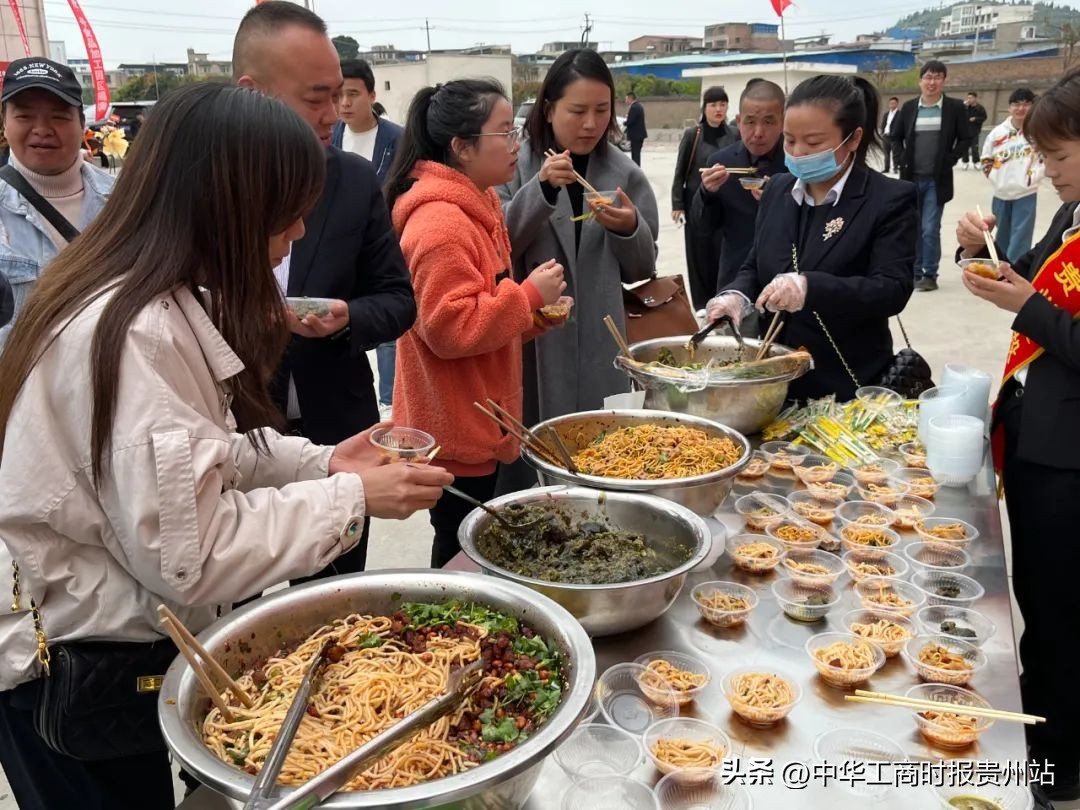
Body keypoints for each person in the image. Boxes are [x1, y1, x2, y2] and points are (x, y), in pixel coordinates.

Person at [0, 81, 453, 810]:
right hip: (70, 669)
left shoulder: (153, 294)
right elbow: (193, 553)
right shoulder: (136, 332)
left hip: (107, 636)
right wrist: (351, 498)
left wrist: (323, 460)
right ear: (227, 209)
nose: (298, 233)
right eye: (286, 212)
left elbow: (199, 456)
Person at [233, 1, 417, 581]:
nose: (333, 114)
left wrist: (347, 317)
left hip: (336, 422)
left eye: (339, 96)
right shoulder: (210, 189)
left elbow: (398, 300)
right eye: (316, 98)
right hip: (235, 430)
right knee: (233, 602)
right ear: (252, 94)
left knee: (335, 600)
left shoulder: (353, 180)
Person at [954, 67, 1080, 808]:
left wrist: (1028, 306)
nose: (1048, 171)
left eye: (1058, 156)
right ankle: (1045, 712)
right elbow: (1026, 280)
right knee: (1036, 592)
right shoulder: (1071, 215)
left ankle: (1060, 760)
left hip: (1072, 461)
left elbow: (1042, 310)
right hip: (1037, 437)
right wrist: (981, 251)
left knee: (1064, 608)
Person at [386, 80, 567, 567]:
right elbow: (450, 329)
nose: (515, 144)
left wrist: (532, 316)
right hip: (454, 426)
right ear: (462, 148)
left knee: (471, 541)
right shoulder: (440, 225)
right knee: (459, 550)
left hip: (476, 414)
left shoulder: (477, 205)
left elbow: (483, 307)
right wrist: (528, 295)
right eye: (504, 133)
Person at [497, 49, 658, 493]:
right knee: (530, 459)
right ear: (549, 109)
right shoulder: (514, 167)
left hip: (600, 341)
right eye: (578, 111)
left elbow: (642, 267)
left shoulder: (625, 173)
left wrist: (629, 228)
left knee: (600, 460)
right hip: (534, 340)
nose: (590, 124)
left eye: (602, 111)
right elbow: (496, 246)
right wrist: (542, 190)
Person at [707, 74, 916, 402]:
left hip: (848, 386)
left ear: (853, 138)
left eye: (814, 143)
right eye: (789, 140)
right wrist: (735, 296)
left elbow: (891, 290)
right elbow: (755, 264)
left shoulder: (888, 199)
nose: (799, 152)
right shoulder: (777, 189)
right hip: (776, 381)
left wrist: (809, 287)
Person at [0, 57, 114, 348]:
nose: (42, 129)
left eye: (59, 117)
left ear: (82, 123)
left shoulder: (125, 199)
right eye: (24, 116)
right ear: (4, 123)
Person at [331, 58, 405, 421]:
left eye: (353, 94)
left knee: (386, 323)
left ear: (372, 95)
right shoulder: (330, 135)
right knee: (343, 321)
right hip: (341, 248)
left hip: (383, 243)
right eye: (338, 95)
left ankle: (389, 402)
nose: (344, 103)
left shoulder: (396, 139)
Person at [694, 79, 788, 302]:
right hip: (734, 280)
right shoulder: (722, 162)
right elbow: (703, 228)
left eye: (768, 122)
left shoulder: (796, 163)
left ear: (783, 122)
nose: (758, 132)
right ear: (738, 121)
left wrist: (778, 202)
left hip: (784, 282)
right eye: (750, 122)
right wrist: (707, 193)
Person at [893, 60, 972, 292]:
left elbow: (966, 138)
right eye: (928, 77)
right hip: (911, 179)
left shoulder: (954, 108)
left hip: (936, 181)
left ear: (944, 81)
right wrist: (900, 158)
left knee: (929, 228)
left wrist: (951, 158)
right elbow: (895, 137)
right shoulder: (909, 108)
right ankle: (915, 272)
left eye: (937, 77)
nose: (932, 82)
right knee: (913, 227)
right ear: (920, 81)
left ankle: (929, 274)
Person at [671, 85, 740, 309]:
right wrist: (677, 204)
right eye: (713, 105)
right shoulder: (693, 135)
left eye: (722, 104)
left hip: (726, 206)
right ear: (705, 108)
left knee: (722, 254)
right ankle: (702, 304)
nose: (718, 109)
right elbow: (680, 171)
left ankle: (722, 298)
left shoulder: (734, 134)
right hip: (697, 204)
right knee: (698, 255)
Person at [980, 87, 1043, 260]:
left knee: (1020, 238)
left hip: (1026, 194)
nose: (1021, 108)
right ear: (1009, 107)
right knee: (1002, 236)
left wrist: (1032, 179)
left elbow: (1045, 158)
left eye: (1026, 104)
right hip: (1001, 194)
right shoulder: (997, 133)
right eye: (1016, 104)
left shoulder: (1037, 132)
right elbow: (986, 158)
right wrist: (996, 179)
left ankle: (1015, 271)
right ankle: (1001, 268)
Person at [964, 91, 988, 169]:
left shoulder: (980, 108)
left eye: (970, 98)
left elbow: (984, 117)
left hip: (975, 131)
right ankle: (965, 162)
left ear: (975, 98)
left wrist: (976, 119)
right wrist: (963, 107)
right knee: (964, 148)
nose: (969, 99)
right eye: (968, 98)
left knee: (974, 148)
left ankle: (976, 162)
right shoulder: (965, 107)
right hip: (965, 130)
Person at [624, 90, 647, 166]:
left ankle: (636, 169)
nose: (625, 101)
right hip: (640, 135)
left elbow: (630, 121)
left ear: (630, 98)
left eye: (626, 99)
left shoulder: (634, 107)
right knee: (637, 153)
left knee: (635, 154)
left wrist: (625, 122)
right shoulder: (639, 106)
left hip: (636, 135)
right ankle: (637, 167)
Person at [881, 96, 900, 173]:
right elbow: (884, 124)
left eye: (894, 103)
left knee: (895, 153)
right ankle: (886, 168)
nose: (892, 105)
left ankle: (895, 168)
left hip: (894, 137)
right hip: (886, 136)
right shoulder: (886, 114)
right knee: (886, 153)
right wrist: (882, 132)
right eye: (891, 103)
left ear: (897, 104)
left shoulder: (899, 114)